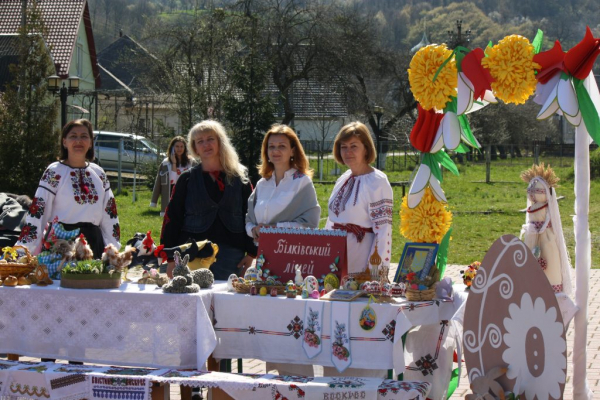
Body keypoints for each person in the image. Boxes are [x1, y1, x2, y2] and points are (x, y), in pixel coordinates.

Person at [160, 120, 256, 281]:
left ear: (220, 142)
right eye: (200, 141)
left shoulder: (240, 178)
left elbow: (251, 216)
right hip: (191, 253)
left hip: (232, 255)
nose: (206, 145)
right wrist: (170, 258)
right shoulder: (187, 179)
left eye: (210, 139)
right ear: (195, 148)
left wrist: (252, 254)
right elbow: (172, 218)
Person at [16, 119, 121, 258]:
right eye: (73, 136)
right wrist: (22, 250)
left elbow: (110, 216)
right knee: (60, 280)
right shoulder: (54, 172)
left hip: (93, 244)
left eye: (84, 136)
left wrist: (112, 249)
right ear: (64, 142)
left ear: (90, 143)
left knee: (93, 279)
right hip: (61, 243)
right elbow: (38, 212)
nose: (79, 141)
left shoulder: (99, 174)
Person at [326, 121, 393, 275]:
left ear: (366, 149)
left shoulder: (377, 181)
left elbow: (383, 230)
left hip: (361, 261)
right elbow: (333, 220)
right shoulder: (343, 179)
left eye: (353, 146)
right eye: (343, 147)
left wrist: (374, 272)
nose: (348, 151)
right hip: (335, 260)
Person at [246, 124, 320, 243]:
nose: (276, 151)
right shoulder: (262, 184)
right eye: (271, 146)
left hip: (291, 254)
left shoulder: (302, 182)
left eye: (282, 146)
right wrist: (253, 230)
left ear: (292, 151)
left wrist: (274, 229)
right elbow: (249, 220)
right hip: (263, 254)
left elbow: (310, 224)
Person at [150, 136, 196, 217]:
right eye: (177, 146)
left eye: (182, 146)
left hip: (187, 193)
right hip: (171, 194)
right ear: (172, 147)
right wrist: (174, 163)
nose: (179, 149)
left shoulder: (191, 162)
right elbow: (171, 181)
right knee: (172, 218)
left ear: (185, 148)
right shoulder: (166, 163)